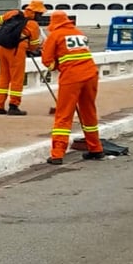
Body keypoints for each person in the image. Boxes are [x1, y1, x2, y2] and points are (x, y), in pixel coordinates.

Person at [41, 11, 103, 164]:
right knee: (88, 111)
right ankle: (95, 148)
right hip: (91, 75)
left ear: (53, 23)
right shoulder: (78, 33)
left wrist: (55, 65)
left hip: (72, 77)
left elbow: (47, 60)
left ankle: (57, 154)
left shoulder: (55, 36)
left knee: (64, 115)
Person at [0, 0, 46, 115]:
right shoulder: (33, 24)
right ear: (35, 13)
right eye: (40, 14)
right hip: (17, 50)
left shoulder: (13, 13)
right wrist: (30, 50)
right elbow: (34, 44)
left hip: (2, 48)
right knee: (17, 78)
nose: (40, 16)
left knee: (4, 76)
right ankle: (13, 105)